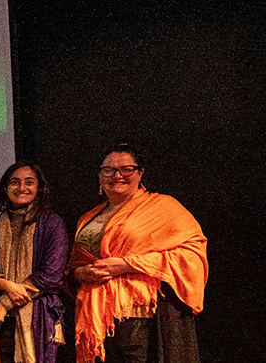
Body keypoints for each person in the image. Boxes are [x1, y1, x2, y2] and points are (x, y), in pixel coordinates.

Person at [67, 144, 207, 363]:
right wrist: (80, 274)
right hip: (95, 320)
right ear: (99, 175)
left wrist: (125, 265)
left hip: (140, 319)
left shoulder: (163, 207)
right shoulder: (88, 217)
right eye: (108, 170)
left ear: (140, 173)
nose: (117, 175)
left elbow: (191, 254)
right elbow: (74, 264)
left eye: (126, 169)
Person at [0, 162, 68, 363]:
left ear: (39, 188)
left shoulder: (52, 224)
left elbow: (50, 276)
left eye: (29, 182)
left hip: (36, 319)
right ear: (6, 188)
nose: (22, 188)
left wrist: (4, 305)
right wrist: (6, 285)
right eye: (15, 182)